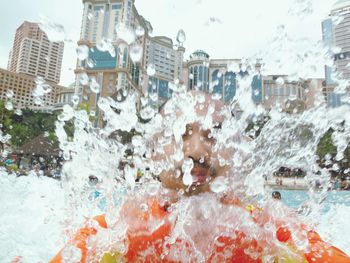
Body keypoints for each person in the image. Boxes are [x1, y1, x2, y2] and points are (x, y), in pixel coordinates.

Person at [50, 91, 350, 263]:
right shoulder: (114, 234)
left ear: (238, 151)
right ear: (152, 151)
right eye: (180, 134)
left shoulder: (271, 231)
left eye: (215, 134)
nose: (197, 150)